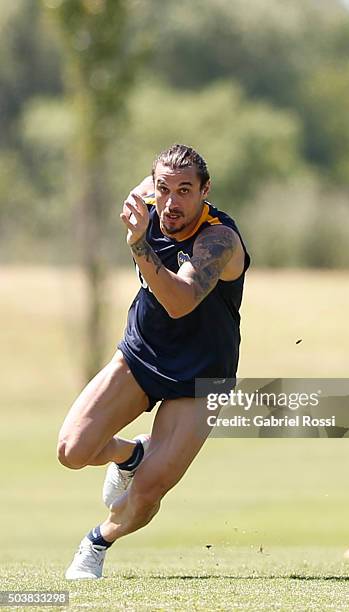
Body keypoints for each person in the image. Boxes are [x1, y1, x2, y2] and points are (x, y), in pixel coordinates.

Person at [60, 144, 250, 579]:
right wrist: (138, 221)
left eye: (185, 190)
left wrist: (139, 246)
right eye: (163, 189)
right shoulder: (149, 199)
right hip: (142, 354)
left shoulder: (219, 239)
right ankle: (131, 455)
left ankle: (97, 541)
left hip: (203, 375)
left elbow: (180, 301)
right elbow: (137, 199)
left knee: (147, 492)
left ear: (206, 191)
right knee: (72, 451)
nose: (171, 201)